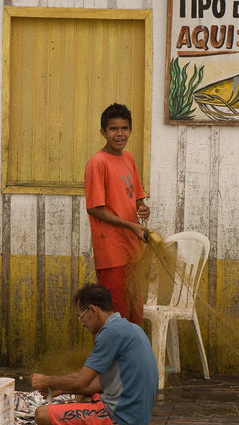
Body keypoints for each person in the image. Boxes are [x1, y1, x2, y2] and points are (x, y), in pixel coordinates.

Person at [31, 284, 158, 425]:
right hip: (138, 415)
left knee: (41, 415)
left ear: (92, 309)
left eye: (81, 316)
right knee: (82, 396)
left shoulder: (110, 333)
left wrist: (46, 380)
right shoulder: (132, 328)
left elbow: (80, 380)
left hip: (122, 418)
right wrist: (63, 389)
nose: (82, 323)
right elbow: (100, 383)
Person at [84, 103, 150, 324]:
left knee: (134, 315)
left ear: (130, 130)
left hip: (133, 249)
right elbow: (94, 207)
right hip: (112, 253)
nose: (120, 134)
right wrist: (131, 225)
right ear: (103, 132)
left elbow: (137, 197)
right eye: (113, 129)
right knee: (114, 317)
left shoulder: (128, 158)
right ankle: (110, 360)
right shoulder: (97, 163)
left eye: (125, 128)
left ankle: (130, 360)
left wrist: (143, 209)